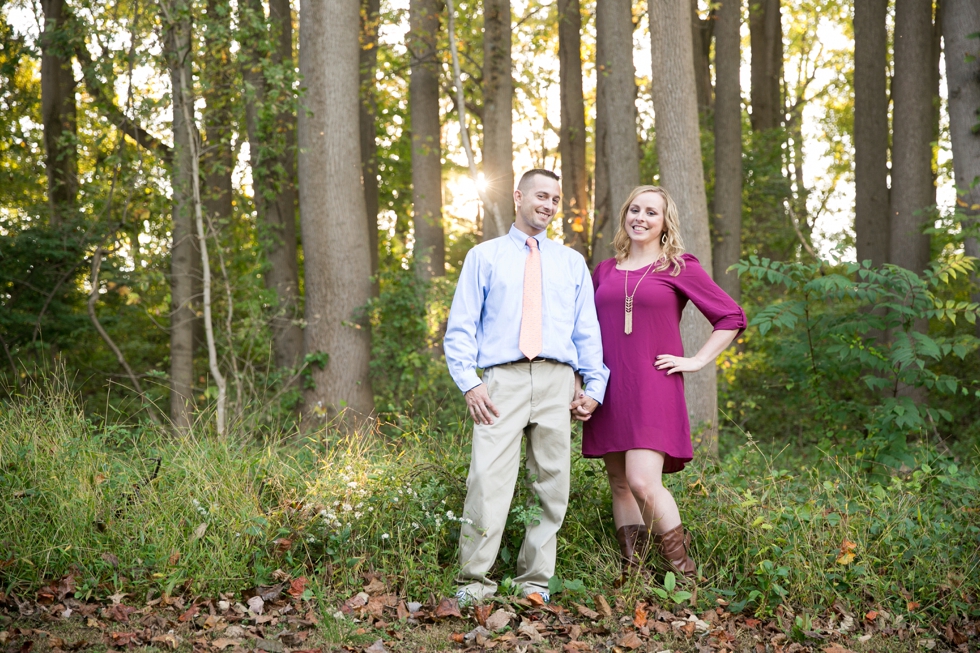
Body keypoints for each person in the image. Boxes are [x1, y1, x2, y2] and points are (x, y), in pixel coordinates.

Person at [444, 169, 609, 604]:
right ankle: (473, 585)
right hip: (502, 380)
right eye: (541, 196)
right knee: (486, 481)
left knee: (552, 485)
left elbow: (586, 330)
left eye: (555, 199)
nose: (549, 205)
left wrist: (594, 385)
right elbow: (460, 327)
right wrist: (470, 384)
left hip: (558, 380)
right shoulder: (484, 256)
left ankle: (534, 583)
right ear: (518, 196)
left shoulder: (571, 262)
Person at [581, 185, 746, 582]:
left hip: (653, 385)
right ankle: (633, 575)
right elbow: (581, 330)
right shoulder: (603, 270)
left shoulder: (678, 266)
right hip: (607, 387)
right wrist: (581, 382)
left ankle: (685, 575)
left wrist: (696, 360)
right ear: (625, 215)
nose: (640, 217)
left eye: (651, 212)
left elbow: (731, 316)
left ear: (663, 222)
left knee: (642, 480)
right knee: (619, 482)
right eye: (634, 209)